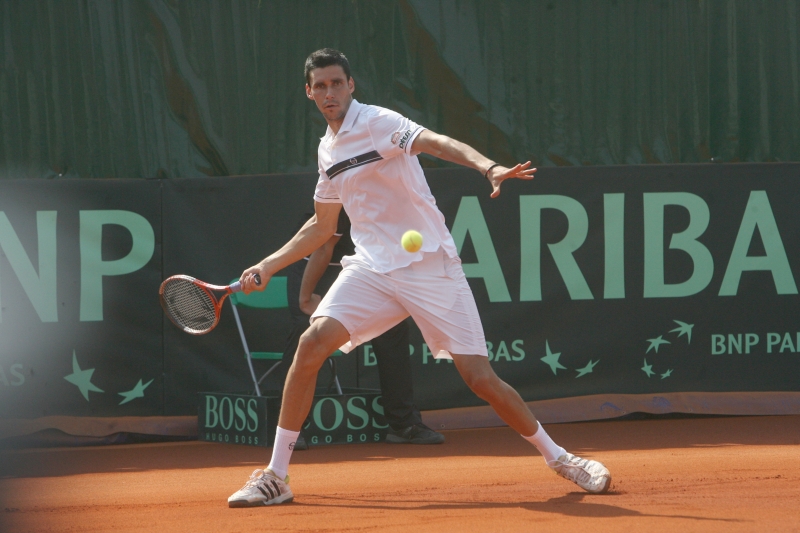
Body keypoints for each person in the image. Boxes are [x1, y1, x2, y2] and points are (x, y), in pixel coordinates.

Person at [228, 48, 611, 508]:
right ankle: (277, 475)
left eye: (337, 83)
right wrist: (268, 265)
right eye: (321, 86)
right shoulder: (327, 149)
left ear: (352, 86)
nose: (330, 92)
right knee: (311, 345)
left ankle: (561, 458)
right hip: (372, 268)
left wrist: (487, 166)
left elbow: (437, 142)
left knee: (479, 377)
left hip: (430, 265)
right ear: (309, 93)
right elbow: (323, 227)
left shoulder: (377, 122)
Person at [279, 209, 445, 447]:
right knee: (306, 336)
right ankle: (290, 430)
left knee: (393, 329)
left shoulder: (397, 196)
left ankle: (404, 424)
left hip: (362, 264)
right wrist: (305, 298)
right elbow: (324, 248)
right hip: (314, 259)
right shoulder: (345, 191)